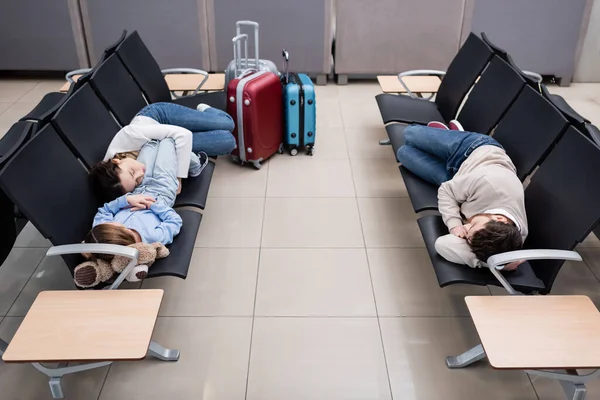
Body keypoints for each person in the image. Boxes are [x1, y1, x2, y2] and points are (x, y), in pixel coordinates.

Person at [396, 123, 527, 270]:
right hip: (471, 150)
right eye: (472, 226)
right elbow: (446, 191)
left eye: (468, 238)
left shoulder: (506, 242)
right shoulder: (489, 182)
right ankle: (454, 134)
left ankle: (442, 146)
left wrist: (496, 265)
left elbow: (442, 244)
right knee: (409, 134)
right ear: (499, 219)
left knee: (403, 152)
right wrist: (454, 224)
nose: (466, 228)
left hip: (456, 181)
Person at [90, 102, 236, 203]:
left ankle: (205, 112)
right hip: (170, 140)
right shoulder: (116, 183)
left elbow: (183, 135)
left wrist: (178, 178)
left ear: (116, 161)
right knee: (227, 141)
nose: (140, 174)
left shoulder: (130, 134)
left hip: (159, 116)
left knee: (228, 124)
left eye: (132, 172)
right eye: (136, 182)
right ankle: (201, 124)